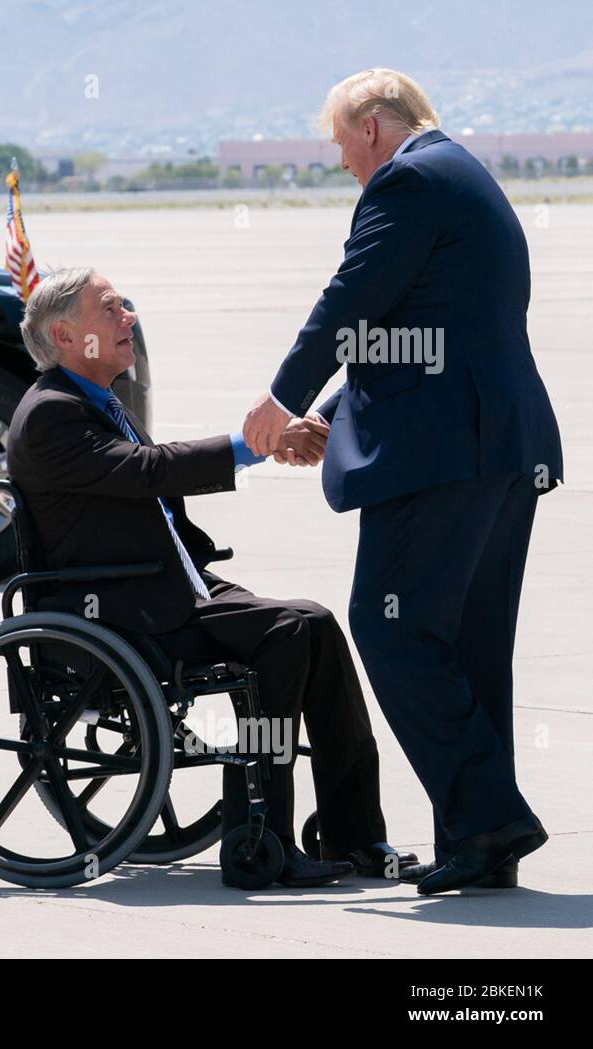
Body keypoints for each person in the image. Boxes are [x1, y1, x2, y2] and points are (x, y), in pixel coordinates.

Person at [241, 69, 563, 894]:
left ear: (373, 128)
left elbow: (353, 303)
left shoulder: (408, 179)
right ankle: (480, 837)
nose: (345, 164)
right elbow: (420, 331)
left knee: (389, 626)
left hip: (443, 456)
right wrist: (337, 418)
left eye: (344, 146)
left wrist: (282, 402)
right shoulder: (463, 173)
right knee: (467, 644)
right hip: (497, 447)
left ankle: (490, 816)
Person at [7, 266, 417, 888]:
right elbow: (146, 471)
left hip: (164, 584)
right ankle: (262, 837)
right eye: (112, 309)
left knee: (318, 626)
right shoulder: (51, 415)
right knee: (288, 631)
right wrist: (258, 442)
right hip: (118, 608)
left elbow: (145, 477)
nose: (129, 319)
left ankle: (354, 834)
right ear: (65, 335)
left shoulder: (94, 403)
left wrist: (269, 442)